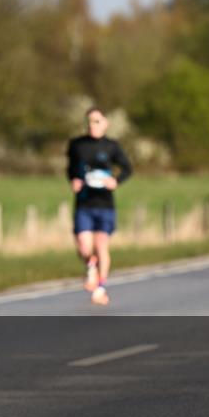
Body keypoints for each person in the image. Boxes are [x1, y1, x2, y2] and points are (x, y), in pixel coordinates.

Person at [66, 107, 132, 306]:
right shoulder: (77, 145)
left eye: (96, 121)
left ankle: (101, 287)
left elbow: (128, 168)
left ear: (105, 123)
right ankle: (90, 266)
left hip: (105, 204)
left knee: (101, 245)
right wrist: (73, 180)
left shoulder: (111, 146)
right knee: (83, 246)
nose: (92, 125)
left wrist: (116, 181)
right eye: (89, 121)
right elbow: (70, 168)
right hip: (84, 203)